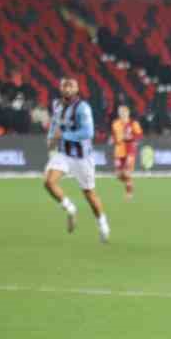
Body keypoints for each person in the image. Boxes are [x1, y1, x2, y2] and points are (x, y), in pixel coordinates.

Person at [43, 76, 110, 243]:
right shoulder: (57, 106)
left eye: (71, 86)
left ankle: (102, 223)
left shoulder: (83, 108)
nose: (67, 89)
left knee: (89, 194)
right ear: (61, 88)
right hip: (64, 154)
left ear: (77, 89)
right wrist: (51, 139)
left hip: (82, 158)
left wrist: (63, 135)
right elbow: (55, 125)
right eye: (65, 86)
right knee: (49, 182)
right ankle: (70, 208)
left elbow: (88, 132)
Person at [109, 104, 143, 201]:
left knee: (127, 173)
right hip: (118, 151)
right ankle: (129, 182)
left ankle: (129, 193)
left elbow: (139, 135)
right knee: (118, 175)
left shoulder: (133, 123)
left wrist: (131, 138)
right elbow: (114, 136)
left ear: (128, 113)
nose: (122, 114)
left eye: (124, 112)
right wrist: (114, 139)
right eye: (120, 112)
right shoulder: (115, 123)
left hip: (129, 151)